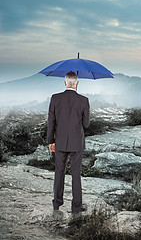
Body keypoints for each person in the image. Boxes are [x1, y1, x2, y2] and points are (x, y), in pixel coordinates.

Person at [47, 71, 90, 214]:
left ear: (65, 82)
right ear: (77, 83)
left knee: (59, 172)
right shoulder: (84, 100)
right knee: (76, 175)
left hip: (59, 141)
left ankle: (57, 203)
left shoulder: (55, 98)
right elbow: (86, 124)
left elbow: (51, 121)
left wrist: (50, 140)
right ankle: (76, 207)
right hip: (76, 143)